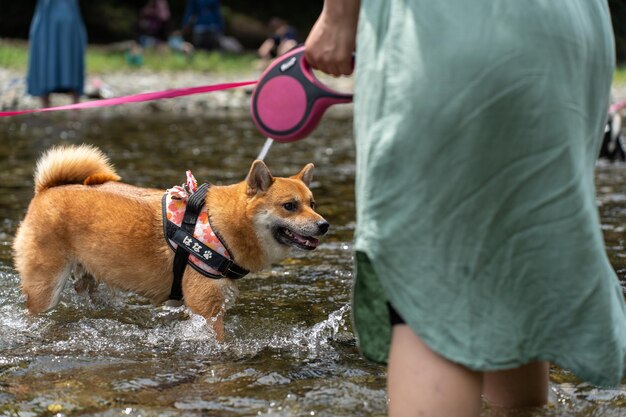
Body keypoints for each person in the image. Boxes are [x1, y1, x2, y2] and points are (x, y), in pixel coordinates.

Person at [305, 1, 625, 416]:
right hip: (570, 34)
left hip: (449, 31)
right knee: (512, 261)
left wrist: (338, 15)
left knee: (429, 288)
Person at [27, 0, 87, 108]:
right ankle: (46, 107)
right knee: (44, 53)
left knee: (70, 53)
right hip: (47, 14)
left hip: (68, 15)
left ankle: (75, 108)